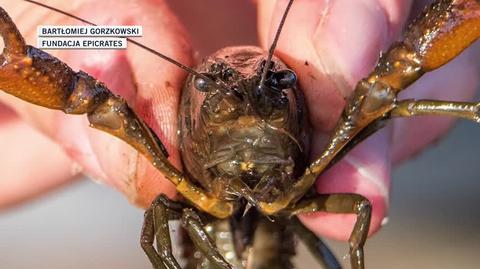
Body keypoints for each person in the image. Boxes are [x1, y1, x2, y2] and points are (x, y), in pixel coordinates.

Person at [0, 0, 478, 242]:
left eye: (276, 85)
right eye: (212, 92)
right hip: (72, 224)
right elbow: (97, 80)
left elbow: (389, 99)